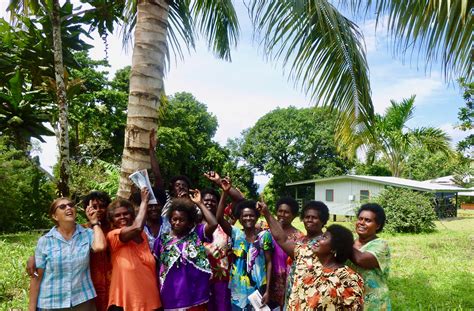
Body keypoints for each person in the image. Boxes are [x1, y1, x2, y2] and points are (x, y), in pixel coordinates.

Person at [257, 201, 364, 310]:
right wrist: (266, 213)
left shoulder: (348, 278)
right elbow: (282, 239)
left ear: (334, 248)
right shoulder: (303, 253)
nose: (318, 240)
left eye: (324, 238)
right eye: (307, 217)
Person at [28, 197, 106, 311]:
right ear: (55, 216)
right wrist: (31, 309)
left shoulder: (87, 234)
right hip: (51, 303)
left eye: (71, 205)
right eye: (62, 207)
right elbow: (36, 277)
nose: (68, 207)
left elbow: (100, 246)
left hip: (82, 300)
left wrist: (95, 222)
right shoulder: (45, 241)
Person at [153, 190, 218, 310]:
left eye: (181, 220)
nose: (177, 222)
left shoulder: (196, 234)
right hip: (170, 297)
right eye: (174, 219)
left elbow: (213, 223)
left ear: (189, 223)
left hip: (196, 297)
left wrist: (199, 203)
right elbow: (156, 268)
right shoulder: (161, 241)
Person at [107, 188, 161, 311]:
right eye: (117, 215)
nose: (122, 217)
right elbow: (137, 227)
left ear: (132, 215)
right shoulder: (114, 236)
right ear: (112, 221)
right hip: (126, 303)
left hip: (152, 300)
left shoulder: (143, 236)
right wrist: (144, 201)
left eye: (126, 213)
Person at [217, 198, 273, 310]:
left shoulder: (264, 236)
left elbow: (269, 263)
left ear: (257, 217)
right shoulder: (236, 234)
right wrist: (225, 193)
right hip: (238, 288)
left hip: (258, 287)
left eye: (251, 215)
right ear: (239, 218)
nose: (248, 218)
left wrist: (267, 290)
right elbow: (219, 218)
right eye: (244, 215)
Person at [349, 203, 391, 310]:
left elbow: (361, 259)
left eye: (368, 220)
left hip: (374, 303)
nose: (362, 223)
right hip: (351, 301)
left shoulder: (381, 245)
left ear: (377, 225)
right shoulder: (351, 243)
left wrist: (341, 241)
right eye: (360, 219)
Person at [269, 197, 305, 309]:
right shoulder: (268, 232)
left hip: (287, 281)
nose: (282, 215)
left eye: (286, 212)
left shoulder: (299, 237)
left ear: (293, 215)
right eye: (280, 211)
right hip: (270, 279)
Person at [130, 186, 169, 250]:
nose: (154, 209)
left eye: (157, 205)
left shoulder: (169, 223)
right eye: (150, 206)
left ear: (162, 206)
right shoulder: (138, 226)